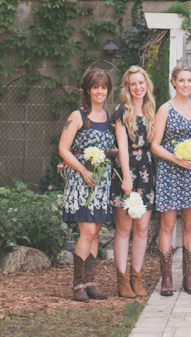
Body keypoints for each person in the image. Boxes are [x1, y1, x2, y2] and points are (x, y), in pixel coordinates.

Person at [59, 69, 115, 302]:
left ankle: (90, 282)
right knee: (88, 231)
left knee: (95, 233)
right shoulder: (78, 115)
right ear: (88, 90)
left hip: (101, 180)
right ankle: (77, 285)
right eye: (95, 87)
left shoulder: (109, 117)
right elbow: (63, 148)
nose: (100, 91)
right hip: (82, 180)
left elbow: (107, 148)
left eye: (103, 87)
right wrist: (82, 170)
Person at [151, 64, 191, 296]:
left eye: (189, 81)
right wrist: (175, 159)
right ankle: (166, 277)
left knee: (190, 225)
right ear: (173, 82)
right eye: (181, 80)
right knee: (168, 225)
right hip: (170, 172)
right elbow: (154, 145)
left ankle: (189, 277)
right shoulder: (165, 108)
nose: (185, 84)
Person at [110, 66, 156, 298]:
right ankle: (122, 280)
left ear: (146, 85)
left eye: (141, 83)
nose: (138, 87)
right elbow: (122, 147)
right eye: (133, 84)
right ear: (128, 87)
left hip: (146, 171)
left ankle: (137, 278)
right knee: (124, 228)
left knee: (142, 228)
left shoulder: (150, 110)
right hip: (126, 170)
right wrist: (127, 177)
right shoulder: (122, 110)